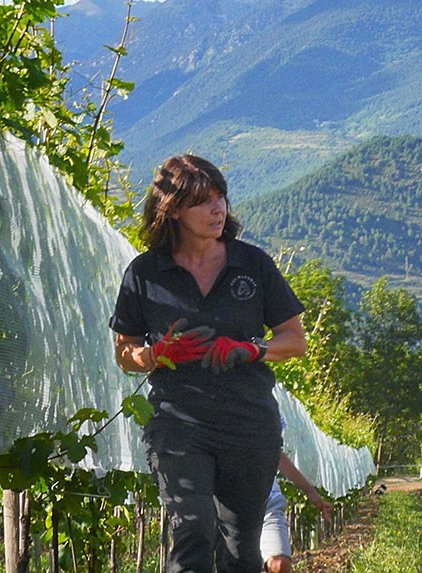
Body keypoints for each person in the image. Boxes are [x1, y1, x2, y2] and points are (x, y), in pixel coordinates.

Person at [110, 154, 307, 572]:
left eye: (221, 198)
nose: (218, 209)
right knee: (193, 530)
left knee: (240, 548)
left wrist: (253, 348)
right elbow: (124, 351)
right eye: (203, 201)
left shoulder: (252, 265)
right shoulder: (145, 274)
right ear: (174, 210)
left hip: (249, 425)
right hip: (178, 423)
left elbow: (294, 340)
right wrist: (155, 354)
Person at [261, 452, 334, 573]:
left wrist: (310, 491)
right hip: (228, 506)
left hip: (268, 503)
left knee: (279, 565)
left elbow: (275, 453)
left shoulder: (265, 433)